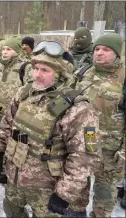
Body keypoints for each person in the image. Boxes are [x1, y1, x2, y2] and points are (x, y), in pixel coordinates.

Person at [0, 40, 101, 217]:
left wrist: (63, 194)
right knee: (12, 211)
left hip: (48, 191)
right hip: (15, 180)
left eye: (45, 70)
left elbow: (85, 157)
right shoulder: (24, 93)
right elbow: (7, 124)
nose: (37, 74)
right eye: (35, 68)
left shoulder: (78, 109)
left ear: (60, 74)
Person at [73, 33, 125, 217]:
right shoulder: (84, 72)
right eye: (97, 49)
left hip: (110, 151)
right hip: (83, 143)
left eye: (106, 50)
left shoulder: (123, 79)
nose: (99, 53)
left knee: (104, 195)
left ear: (117, 54)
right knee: (77, 188)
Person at [0, 36, 31, 128]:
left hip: (18, 119)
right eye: (3, 49)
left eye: (9, 49)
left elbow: (30, 95)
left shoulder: (26, 68)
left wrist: (15, 112)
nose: (4, 52)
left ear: (17, 51)